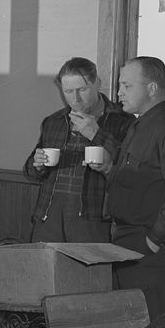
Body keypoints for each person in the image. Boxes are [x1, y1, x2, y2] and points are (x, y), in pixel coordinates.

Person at [91, 57, 165, 321]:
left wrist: (153, 242)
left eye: (127, 86)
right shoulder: (139, 126)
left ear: (152, 89)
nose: (118, 93)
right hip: (127, 244)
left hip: (152, 252)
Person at [23, 57, 134, 242]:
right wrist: (38, 165)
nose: (75, 98)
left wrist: (97, 134)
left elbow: (130, 169)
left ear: (97, 83)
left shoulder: (125, 122)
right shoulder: (54, 122)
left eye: (82, 90)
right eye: (68, 91)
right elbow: (30, 172)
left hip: (94, 223)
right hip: (47, 220)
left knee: (89, 272)